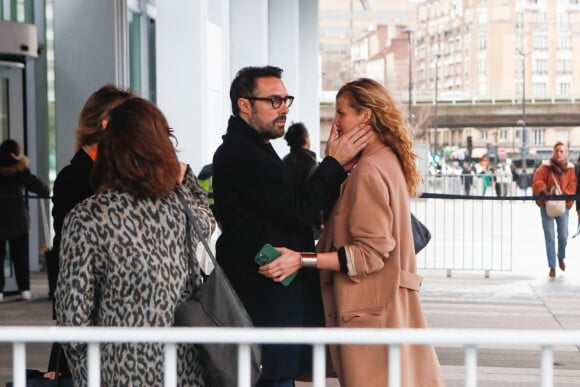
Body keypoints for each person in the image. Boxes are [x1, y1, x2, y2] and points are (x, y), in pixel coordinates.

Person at [258, 78, 444, 387]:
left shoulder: (369, 171)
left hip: (370, 315)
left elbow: (370, 252)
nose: (336, 123)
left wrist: (301, 259)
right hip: (382, 310)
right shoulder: (382, 161)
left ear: (366, 116)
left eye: (342, 113)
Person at [212, 65, 371, 387]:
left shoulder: (254, 148)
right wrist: (334, 163)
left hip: (272, 302)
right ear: (245, 104)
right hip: (264, 305)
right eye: (274, 101)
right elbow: (298, 211)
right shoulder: (242, 153)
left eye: (286, 100)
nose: (284, 108)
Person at [55, 97, 215, 386]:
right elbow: (208, 221)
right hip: (184, 372)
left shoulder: (88, 217)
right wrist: (185, 177)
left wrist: (87, 376)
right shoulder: (185, 211)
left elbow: (72, 315)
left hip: (117, 372)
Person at [0, 139, 50, 302]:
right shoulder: (19, 168)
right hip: (17, 219)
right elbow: (36, 186)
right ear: (15, 152)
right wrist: (46, 191)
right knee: (20, 255)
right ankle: (24, 290)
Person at [532, 141, 576, 278]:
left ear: (566, 153)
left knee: (563, 235)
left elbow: (573, 184)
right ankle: (552, 266)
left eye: (561, 151)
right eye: (556, 151)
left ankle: (560, 256)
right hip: (547, 206)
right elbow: (537, 180)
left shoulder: (570, 169)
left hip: (563, 206)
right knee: (549, 236)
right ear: (553, 152)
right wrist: (543, 191)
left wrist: (565, 195)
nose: (558, 153)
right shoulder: (545, 167)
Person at [283, 122, 322, 239]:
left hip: (289, 222)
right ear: (305, 139)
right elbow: (316, 193)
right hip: (311, 224)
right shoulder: (311, 163)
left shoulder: (283, 162)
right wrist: (320, 221)